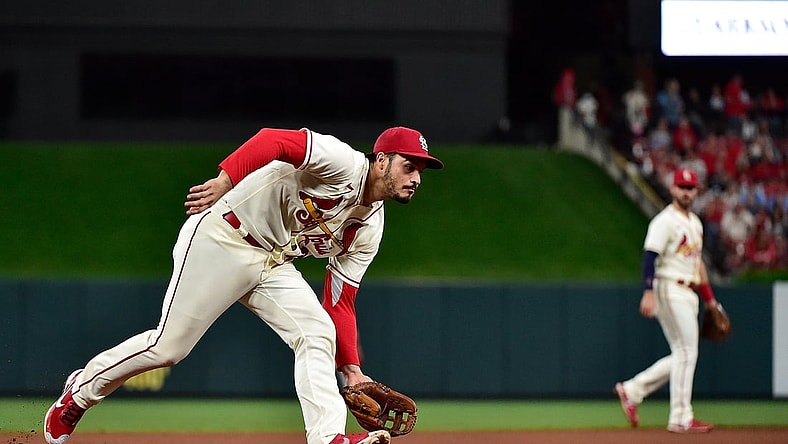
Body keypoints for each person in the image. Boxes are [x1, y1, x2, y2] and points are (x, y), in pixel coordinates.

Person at [43, 126, 444, 444]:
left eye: (420, 171)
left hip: (272, 261)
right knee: (169, 348)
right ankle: (79, 393)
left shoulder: (370, 228)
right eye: (409, 166)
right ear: (381, 160)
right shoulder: (341, 161)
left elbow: (340, 302)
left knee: (317, 331)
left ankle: (328, 438)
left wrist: (353, 372)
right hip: (223, 236)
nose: (416, 178)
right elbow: (275, 139)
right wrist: (224, 179)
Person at [615, 167, 720, 434]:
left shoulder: (695, 223)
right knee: (688, 352)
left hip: (689, 290)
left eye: (690, 188)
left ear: (696, 191)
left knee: (683, 354)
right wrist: (648, 292)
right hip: (669, 287)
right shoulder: (664, 221)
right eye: (681, 187)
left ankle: (632, 390)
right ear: (673, 189)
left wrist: (711, 302)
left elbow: (698, 266)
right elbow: (650, 256)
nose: (686, 192)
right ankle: (681, 417)